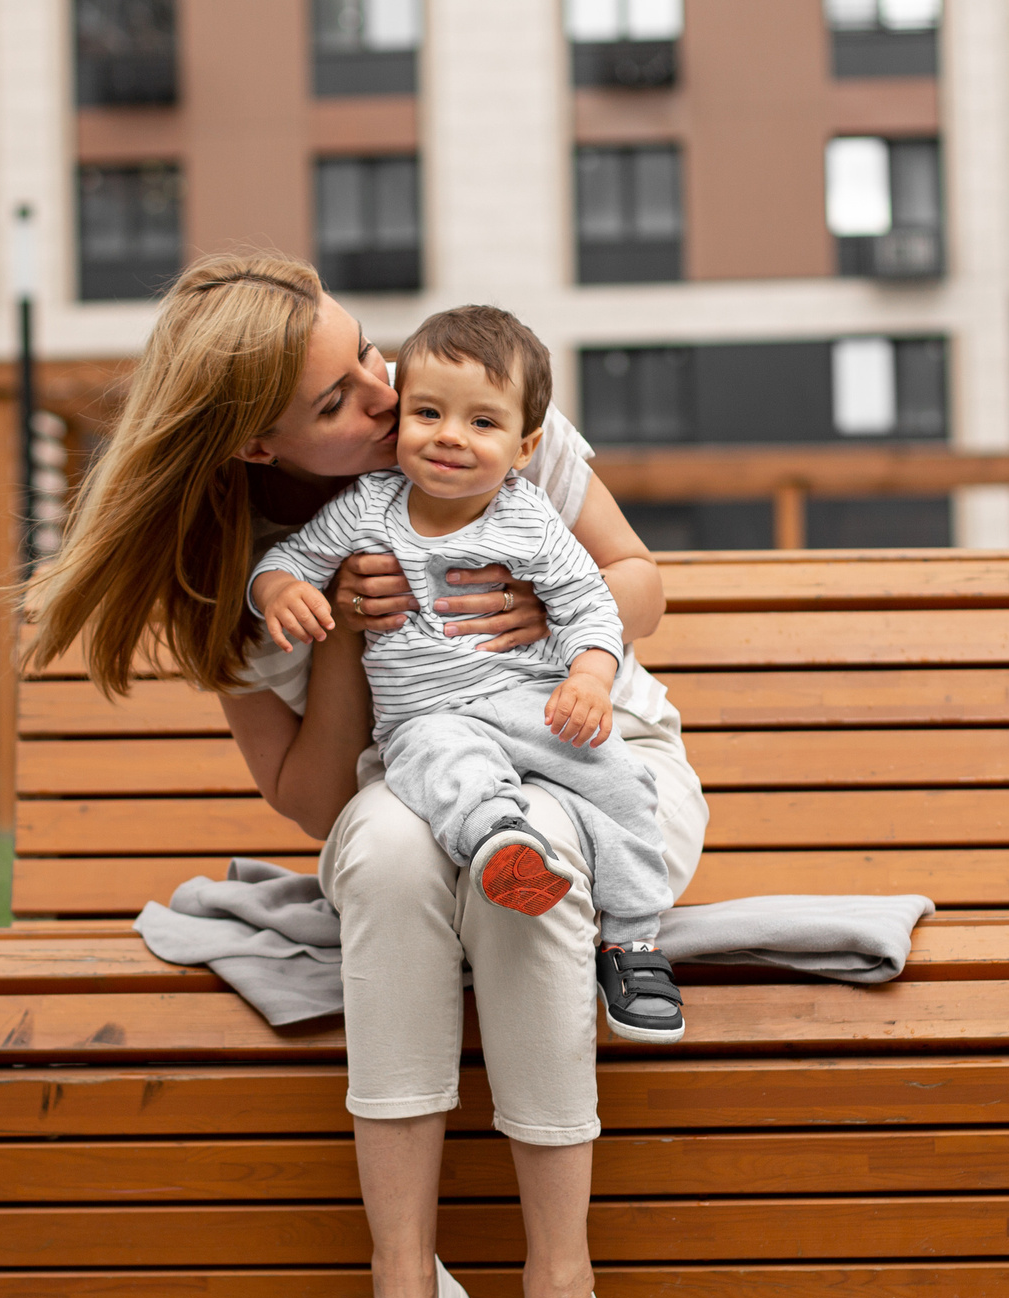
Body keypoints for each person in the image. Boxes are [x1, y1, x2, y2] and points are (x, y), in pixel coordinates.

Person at [21, 255, 708, 1298]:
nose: (391, 399)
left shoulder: (480, 421)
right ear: (251, 448)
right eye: (342, 397)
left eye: (369, 355)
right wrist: (348, 625)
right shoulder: (234, 560)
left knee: (540, 851)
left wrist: (554, 621)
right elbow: (313, 798)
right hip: (411, 777)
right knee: (392, 847)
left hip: (583, 752)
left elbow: (642, 581)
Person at [248, 305, 684, 1044]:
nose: (445, 431)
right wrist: (299, 598)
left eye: (369, 354)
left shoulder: (525, 505)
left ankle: (635, 941)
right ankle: (500, 845)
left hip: (536, 705)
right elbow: (284, 563)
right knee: (446, 763)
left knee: (613, 779)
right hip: (432, 721)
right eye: (427, 411)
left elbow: (608, 595)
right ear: (256, 445)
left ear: (523, 444)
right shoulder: (367, 507)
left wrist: (578, 661)